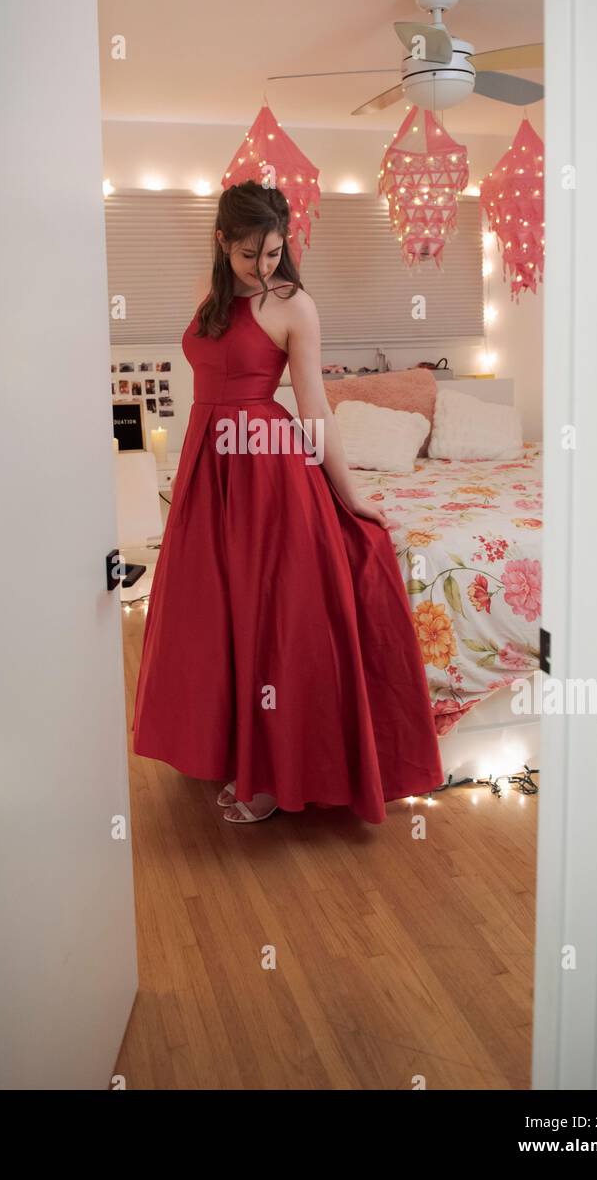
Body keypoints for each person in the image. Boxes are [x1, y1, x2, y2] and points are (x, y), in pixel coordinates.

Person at [132, 181, 443, 824]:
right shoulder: (208, 293)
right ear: (223, 243)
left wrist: (350, 494)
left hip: (264, 467)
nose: (264, 266)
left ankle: (272, 774)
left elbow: (314, 407)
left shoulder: (295, 305)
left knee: (268, 611)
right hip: (206, 462)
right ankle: (230, 748)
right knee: (214, 610)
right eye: (250, 255)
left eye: (274, 252)